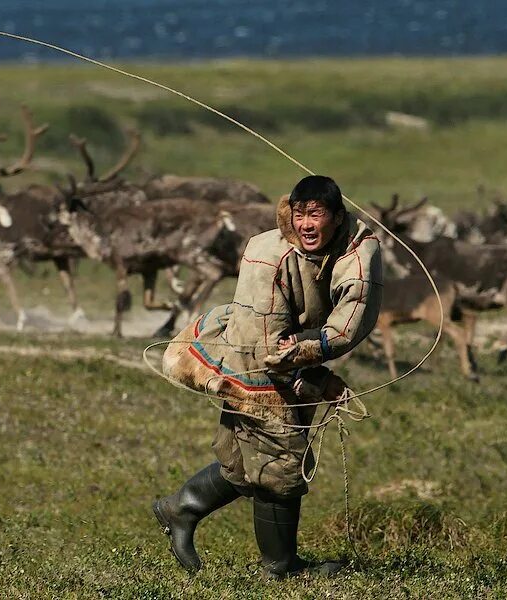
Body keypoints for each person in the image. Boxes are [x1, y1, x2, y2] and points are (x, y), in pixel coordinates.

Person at [153, 175, 383, 579]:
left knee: (242, 465)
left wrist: (312, 368)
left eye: (317, 214)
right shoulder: (266, 255)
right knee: (280, 464)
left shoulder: (358, 248)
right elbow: (268, 349)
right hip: (250, 355)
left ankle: (179, 508)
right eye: (300, 214)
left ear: (338, 217)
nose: (307, 224)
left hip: (287, 353)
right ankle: (281, 567)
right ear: (289, 216)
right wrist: (311, 378)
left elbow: (349, 318)